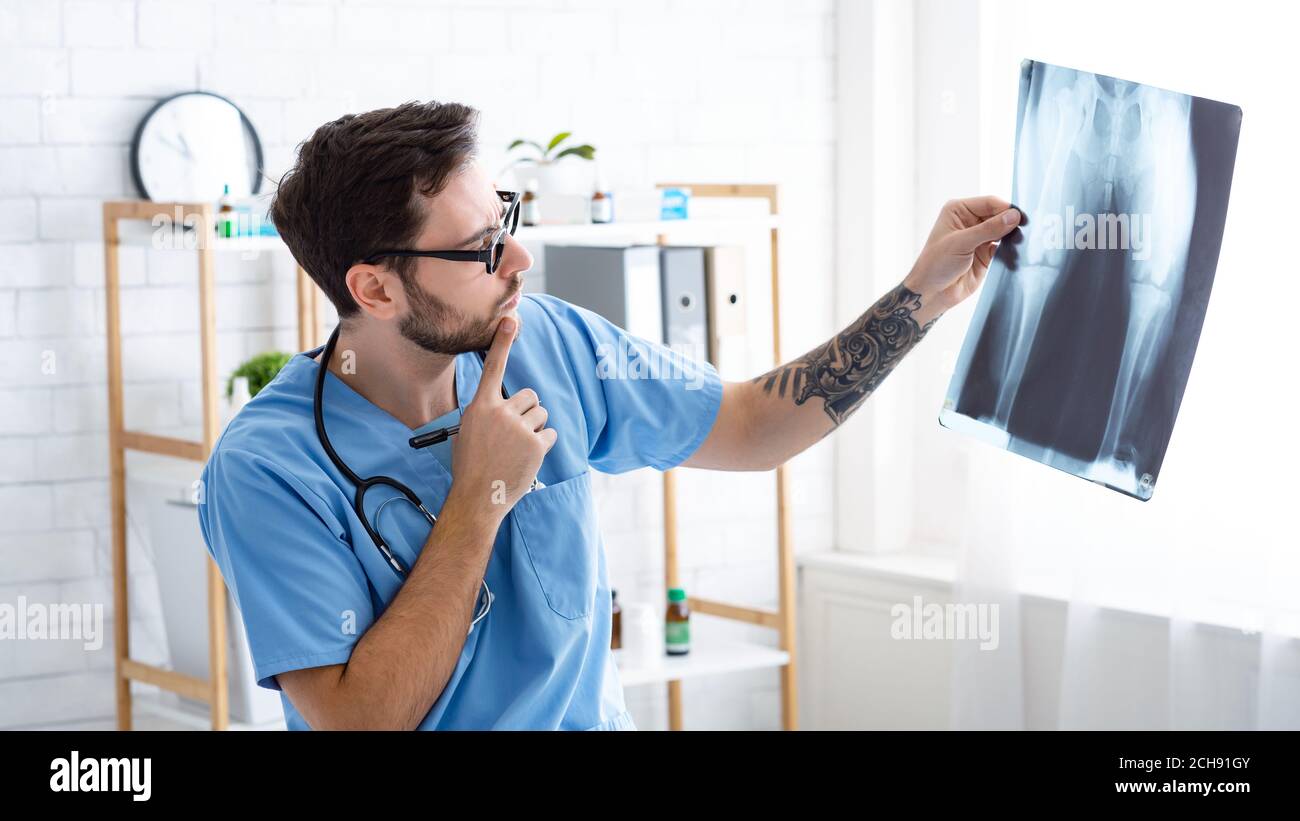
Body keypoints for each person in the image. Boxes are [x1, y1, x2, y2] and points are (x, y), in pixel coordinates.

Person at [196, 100, 1022, 730]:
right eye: (482, 249)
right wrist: (480, 499)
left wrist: (921, 298)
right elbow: (361, 718)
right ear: (373, 288)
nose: (520, 259)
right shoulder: (266, 467)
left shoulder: (547, 340)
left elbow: (746, 424)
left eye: (507, 220)